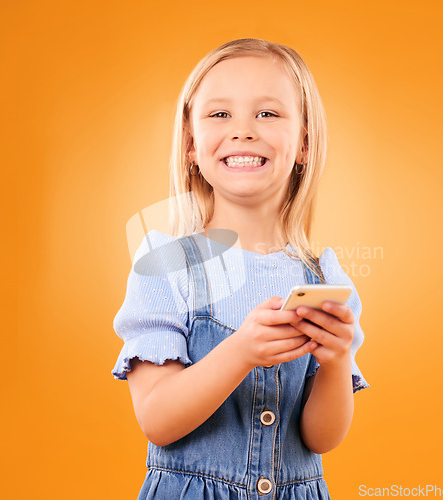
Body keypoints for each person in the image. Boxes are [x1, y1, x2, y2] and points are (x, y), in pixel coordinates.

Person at [111, 38, 369, 499]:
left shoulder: (324, 277)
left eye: (267, 114)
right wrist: (242, 351)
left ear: (304, 142)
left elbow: (321, 439)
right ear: (191, 143)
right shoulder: (167, 266)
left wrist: (335, 364)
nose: (244, 131)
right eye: (219, 114)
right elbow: (157, 420)